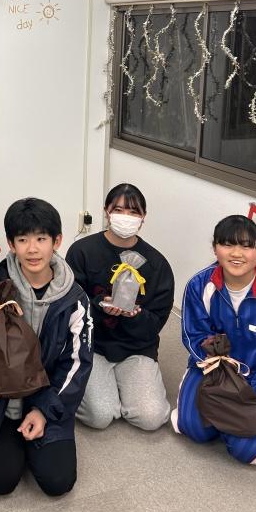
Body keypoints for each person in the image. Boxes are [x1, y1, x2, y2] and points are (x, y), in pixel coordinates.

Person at [0, 197, 92, 497]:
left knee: (58, 482)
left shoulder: (74, 299)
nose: (32, 249)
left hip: (47, 395)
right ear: (10, 244)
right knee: (0, 481)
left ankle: (39, 436)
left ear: (57, 241)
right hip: (1, 398)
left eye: (41, 239)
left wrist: (44, 411)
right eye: (23, 240)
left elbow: (78, 363)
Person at [66, 183, 173, 431]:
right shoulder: (82, 251)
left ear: (143, 217)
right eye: (119, 210)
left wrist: (136, 315)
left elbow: (156, 322)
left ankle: (121, 385)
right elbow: (69, 305)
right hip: (92, 344)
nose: (126, 217)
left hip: (136, 347)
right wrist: (99, 307)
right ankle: (93, 383)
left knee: (151, 417)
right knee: (99, 416)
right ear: (106, 211)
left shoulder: (156, 263)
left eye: (134, 212)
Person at [171, 214, 256, 464]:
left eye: (246, 246)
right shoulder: (199, 285)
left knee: (249, 452)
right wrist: (220, 371)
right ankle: (216, 412)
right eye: (227, 244)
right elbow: (194, 335)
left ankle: (234, 418)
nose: (236, 253)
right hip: (212, 369)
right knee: (194, 429)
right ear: (215, 248)